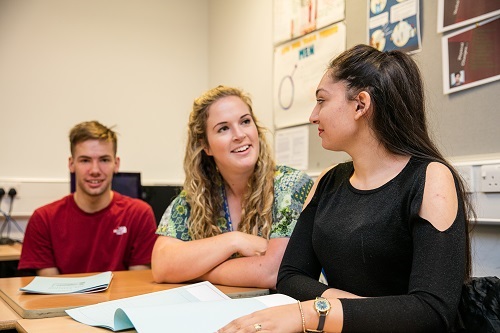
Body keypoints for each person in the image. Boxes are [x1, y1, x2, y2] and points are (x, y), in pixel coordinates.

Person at [218, 44, 474, 332]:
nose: (313, 115)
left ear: (360, 105)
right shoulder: (328, 181)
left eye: (321, 101)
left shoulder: (431, 178)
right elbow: (290, 276)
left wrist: (318, 312)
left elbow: (431, 311)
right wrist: (350, 309)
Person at [152, 85, 313, 289]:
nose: (239, 135)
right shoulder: (196, 197)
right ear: (206, 146)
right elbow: (161, 265)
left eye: (245, 122)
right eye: (223, 128)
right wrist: (233, 241)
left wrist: (198, 271)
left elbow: (275, 272)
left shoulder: (290, 185)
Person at [18, 121, 158, 276]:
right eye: (85, 160)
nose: (95, 170)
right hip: (66, 301)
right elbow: (52, 290)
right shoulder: (44, 219)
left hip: (120, 300)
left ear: (116, 164)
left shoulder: (139, 215)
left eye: (104, 160)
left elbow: (136, 285)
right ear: (71, 164)